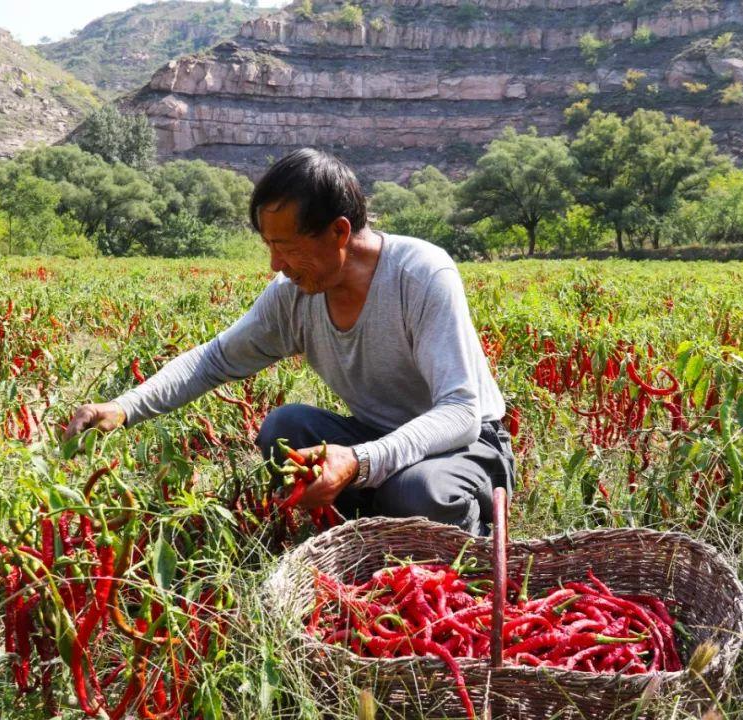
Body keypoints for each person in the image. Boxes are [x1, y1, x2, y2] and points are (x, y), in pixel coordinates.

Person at [64, 148, 514, 535]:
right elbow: (214, 360)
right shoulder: (293, 295)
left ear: (339, 232)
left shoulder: (419, 274)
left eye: (287, 246)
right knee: (285, 430)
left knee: (416, 490)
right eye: (269, 246)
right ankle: (381, 520)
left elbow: (460, 413)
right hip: (380, 438)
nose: (277, 264)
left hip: (466, 445)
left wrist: (359, 460)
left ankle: (467, 533)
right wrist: (124, 408)